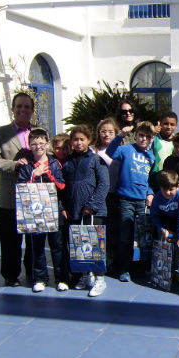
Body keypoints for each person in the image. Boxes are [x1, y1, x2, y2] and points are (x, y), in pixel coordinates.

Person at [0, 92, 35, 286]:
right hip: (10, 195)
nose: (22, 110)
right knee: (10, 239)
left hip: (33, 195)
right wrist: (14, 165)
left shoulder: (40, 131)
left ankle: (33, 271)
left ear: (32, 110)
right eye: (19, 106)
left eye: (26, 107)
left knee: (33, 238)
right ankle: (11, 274)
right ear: (13, 109)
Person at [17, 128, 69, 293]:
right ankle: (40, 278)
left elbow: (62, 186)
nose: (38, 146)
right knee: (37, 247)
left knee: (58, 246)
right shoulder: (27, 165)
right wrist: (34, 174)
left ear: (47, 144)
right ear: (29, 145)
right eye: (34, 143)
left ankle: (61, 278)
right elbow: (21, 188)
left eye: (41, 143)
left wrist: (50, 176)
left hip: (54, 210)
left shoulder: (54, 163)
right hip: (35, 212)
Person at [61, 125, 110, 297]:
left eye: (82, 139)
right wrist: (64, 207)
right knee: (79, 244)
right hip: (74, 210)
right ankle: (84, 275)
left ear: (88, 140)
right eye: (75, 139)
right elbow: (62, 186)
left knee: (95, 244)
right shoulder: (67, 161)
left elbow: (104, 184)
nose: (79, 142)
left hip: (93, 211)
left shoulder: (96, 160)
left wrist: (92, 205)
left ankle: (99, 278)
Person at [106, 121, 156, 282]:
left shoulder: (151, 157)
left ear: (151, 139)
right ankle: (124, 268)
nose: (143, 139)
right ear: (136, 135)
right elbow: (110, 151)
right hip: (125, 200)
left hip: (141, 201)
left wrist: (150, 193)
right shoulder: (126, 149)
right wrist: (121, 135)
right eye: (141, 135)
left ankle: (139, 268)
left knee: (142, 236)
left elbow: (148, 180)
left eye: (147, 137)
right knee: (125, 236)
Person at [91, 118, 121, 273]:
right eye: (103, 131)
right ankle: (100, 260)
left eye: (111, 131)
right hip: (99, 196)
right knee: (101, 228)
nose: (107, 134)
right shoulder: (93, 151)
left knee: (115, 228)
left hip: (116, 194)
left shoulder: (121, 150)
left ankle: (114, 259)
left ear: (116, 133)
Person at [149, 170, 179, 285]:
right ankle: (164, 271)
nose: (167, 192)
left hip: (178, 222)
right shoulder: (157, 197)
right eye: (164, 189)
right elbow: (154, 216)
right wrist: (162, 229)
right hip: (164, 223)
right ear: (160, 187)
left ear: (178, 187)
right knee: (165, 241)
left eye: (171, 189)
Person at [151, 111, 179, 192]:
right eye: (166, 124)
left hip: (170, 183)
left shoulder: (177, 142)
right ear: (160, 124)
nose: (169, 127)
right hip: (154, 181)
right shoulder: (154, 139)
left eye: (172, 124)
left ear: (176, 125)